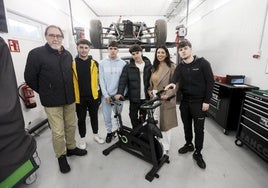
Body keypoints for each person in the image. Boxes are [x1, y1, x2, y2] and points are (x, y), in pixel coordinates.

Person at [24, 25, 87, 174]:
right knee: (58, 132)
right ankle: (61, 156)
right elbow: (30, 78)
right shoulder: (36, 54)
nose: (56, 38)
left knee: (71, 126)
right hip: (52, 102)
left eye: (58, 36)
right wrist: (46, 91)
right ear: (46, 36)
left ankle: (71, 148)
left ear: (62, 38)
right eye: (52, 35)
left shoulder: (67, 55)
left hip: (69, 98)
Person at [165, 39, 214, 169]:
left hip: (199, 103)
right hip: (185, 102)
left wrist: (207, 101)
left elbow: (210, 83)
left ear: (190, 48)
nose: (183, 51)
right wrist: (172, 83)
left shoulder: (203, 63)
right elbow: (175, 78)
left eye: (185, 48)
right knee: (187, 126)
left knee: (199, 129)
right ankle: (188, 144)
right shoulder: (180, 66)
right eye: (180, 50)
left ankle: (198, 152)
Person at [73, 39, 104, 149]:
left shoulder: (94, 63)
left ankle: (96, 135)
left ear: (89, 49)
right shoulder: (72, 64)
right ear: (77, 48)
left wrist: (99, 95)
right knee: (81, 119)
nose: (84, 50)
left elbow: (99, 80)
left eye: (86, 48)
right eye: (81, 47)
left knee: (94, 116)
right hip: (79, 98)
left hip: (93, 96)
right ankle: (82, 139)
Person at [147, 46, 178, 154]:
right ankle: (157, 143)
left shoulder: (172, 66)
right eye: (158, 52)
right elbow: (152, 82)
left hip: (166, 97)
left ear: (166, 54)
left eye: (162, 52)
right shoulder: (154, 67)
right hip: (155, 96)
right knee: (155, 120)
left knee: (165, 123)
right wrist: (150, 89)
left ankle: (165, 146)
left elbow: (176, 85)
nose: (160, 54)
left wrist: (167, 94)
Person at [115, 44, 152, 129]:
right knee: (132, 116)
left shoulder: (148, 65)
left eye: (137, 53)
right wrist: (120, 92)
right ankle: (136, 132)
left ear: (141, 52)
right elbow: (122, 81)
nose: (135, 55)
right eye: (133, 54)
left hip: (145, 98)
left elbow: (153, 80)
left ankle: (141, 132)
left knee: (143, 117)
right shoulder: (128, 67)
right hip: (134, 98)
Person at [99, 41, 126, 143]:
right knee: (107, 116)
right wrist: (105, 95)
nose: (113, 51)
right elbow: (101, 80)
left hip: (118, 95)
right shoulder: (102, 63)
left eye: (115, 49)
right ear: (108, 49)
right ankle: (109, 132)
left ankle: (119, 131)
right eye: (111, 48)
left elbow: (124, 81)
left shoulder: (123, 64)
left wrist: (121, 94)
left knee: (118, 115)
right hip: (106, 96)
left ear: (118, 50)